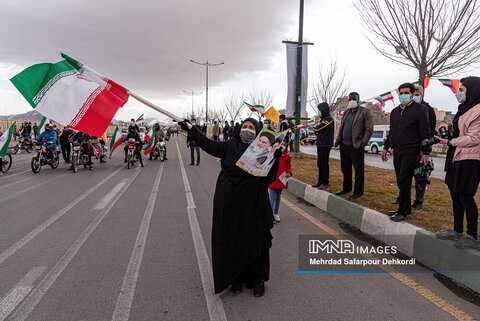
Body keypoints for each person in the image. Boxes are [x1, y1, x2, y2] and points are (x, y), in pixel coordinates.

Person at [179, 117, 282, 297]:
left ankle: (257, 279)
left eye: (252, 127)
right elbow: (208, 145)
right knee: (233, 240)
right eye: (245, 126)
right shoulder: (229, 146)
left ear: (258, 132)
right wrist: (192, 129)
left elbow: (270, 177)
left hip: (255, 205)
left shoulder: (263, 150)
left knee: (257, 240)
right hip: (230, 204)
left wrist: (276, 155)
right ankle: (236, 277)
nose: (247, 129)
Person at [435, 77, 480, 249]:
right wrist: (448, 128)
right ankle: (457, 230)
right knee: (455, 193)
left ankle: (472, 235)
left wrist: (451, 142)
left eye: (462, 89)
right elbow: (461, 130)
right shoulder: (464, 108)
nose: (458, 93)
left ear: (473, 90)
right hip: (456, 155)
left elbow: (475, 138)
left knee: (465, 196)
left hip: (470, 158)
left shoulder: (478, 110)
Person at [382, 83, 431, 222]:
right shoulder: (396, 112)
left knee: (404, 179)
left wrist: (426, 151)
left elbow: (425, 132)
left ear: (411, 93)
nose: (403, 95)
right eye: (400, 93)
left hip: (412, 149)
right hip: (398, 150)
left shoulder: (420, 110)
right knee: (400, 180)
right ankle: (405, 207)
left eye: (406, 93)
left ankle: (403, 211)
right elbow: (392, 131)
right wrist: (386, 147)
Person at [334, 92, 374, 200]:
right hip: (344, 145)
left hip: (356, 146)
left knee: (358, 170)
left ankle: (358, 192)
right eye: (350, 99)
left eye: (354, 99)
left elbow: (369, 129)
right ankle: (346, 188)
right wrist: (339, 140)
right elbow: (342, 127)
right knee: (345, 169)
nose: (352, 101)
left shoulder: (365, 112)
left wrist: (363, 143)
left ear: (358, 100)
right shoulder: (346, 112)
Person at [410, 85, 437, 210]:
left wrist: (426, 150)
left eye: (417, 95)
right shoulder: (409, 108)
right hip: (409, 147)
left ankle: (419, 201)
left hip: (421, 148)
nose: (414, 97)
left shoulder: (428, 109)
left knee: (420, 175)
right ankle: (403, 196)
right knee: (405, 175)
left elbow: (429, 132)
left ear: (421, 95)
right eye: (413, 94)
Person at [312, 102, 334, 189]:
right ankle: (320, 180)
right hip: (320, 144)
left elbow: (318, 128)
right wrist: (316, 129)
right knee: (319, 163)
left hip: (325, 144)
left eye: (319, 110)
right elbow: (316, 131)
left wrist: (315, 128)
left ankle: (325, 182)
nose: (318, 112)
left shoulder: (329, 119)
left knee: (324, 163)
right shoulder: (322, 119)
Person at [269, 140, 292, 223]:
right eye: (280, 145)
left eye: (283, 145)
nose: (281, 146)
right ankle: (270, 214)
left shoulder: (286, 156)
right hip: (273, 180)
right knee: (272, 197)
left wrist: (289, 172)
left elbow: (288, 166)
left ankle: (275, 213)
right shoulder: (272, 155)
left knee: (278, 196)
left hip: (281, 180)